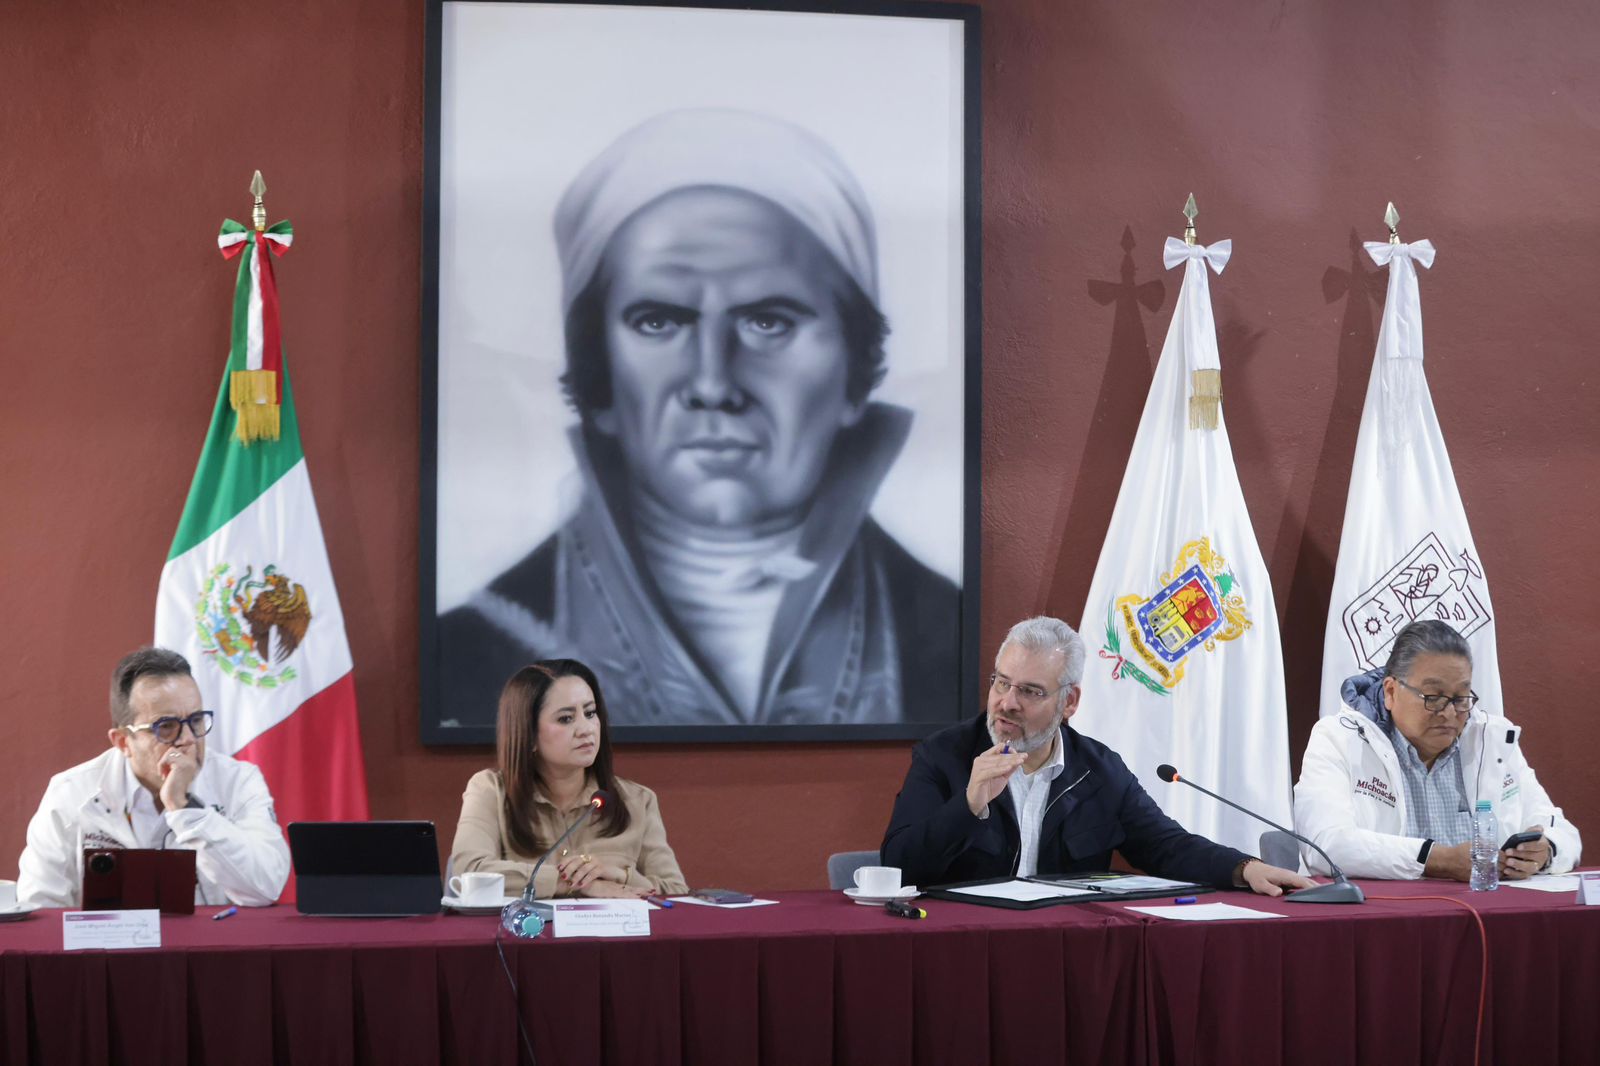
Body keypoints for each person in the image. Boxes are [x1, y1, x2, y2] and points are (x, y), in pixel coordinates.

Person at [437, 108, 959, 730]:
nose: (713, 384)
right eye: (659, 321)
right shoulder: (473, 653)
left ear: (854, 368)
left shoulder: (956, 647)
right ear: (598, 372)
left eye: (768, 321)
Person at [881, 616, 1313, 895]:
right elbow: (898, 866)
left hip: (1067, 949)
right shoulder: (944, 757)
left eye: (1030, 691)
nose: (1007, 703)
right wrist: (968, 804)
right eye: (1002, 682)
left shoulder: (1097, 770)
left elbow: (1165, 846)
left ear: (1069, 702)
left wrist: (1244, 868)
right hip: (969, 946)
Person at [1294, 619, 1580, 881]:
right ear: (1391, 691)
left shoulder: (1491, 740)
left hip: (1485, 909)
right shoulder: (1339, 739)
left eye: (1460, 697)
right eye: (1433, 697)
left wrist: (1546, 851)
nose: (1449, 713)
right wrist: (1435, 860)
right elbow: (1325, 845)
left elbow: (1564, 832)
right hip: (1385, 913)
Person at [18, 647, 290, 907]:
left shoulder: (238, 781)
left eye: (196, 720)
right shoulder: (70, 794)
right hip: (107, 942)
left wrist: (185, 809)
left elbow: (265, 888)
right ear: (123, 742)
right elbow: (41, 906)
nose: (187, 739)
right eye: (166, 726)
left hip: (212, 940)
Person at [449, 659, 688, 898]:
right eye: (566, 718)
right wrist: (572, 883)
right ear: (528, 734)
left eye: (590, 713)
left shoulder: (637, 800)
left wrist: (620, 875)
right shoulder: (490, 790)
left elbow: (676, 892)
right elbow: (468, 873)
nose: (586, 729)